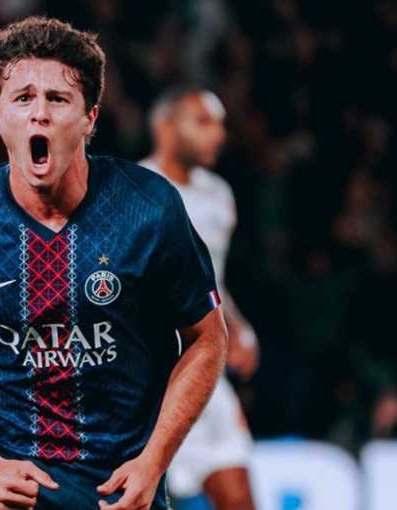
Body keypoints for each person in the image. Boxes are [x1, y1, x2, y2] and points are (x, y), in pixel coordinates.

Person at [0, 17, 228, 510]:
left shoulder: (148, 208)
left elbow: (207, 337)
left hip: (115, 483)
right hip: (5, 475)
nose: (40, 114)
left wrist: (154, 461)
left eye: (57, 99)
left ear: (90, 117)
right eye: (23, 98)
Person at [141, 88, 258, 510]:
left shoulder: (219, 195)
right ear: (165, 128)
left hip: (204, 368)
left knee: (238, 495)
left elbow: (213, 281)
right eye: (203, 122)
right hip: (144, 379)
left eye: (220, 124)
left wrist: (237, 327)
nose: (218, 134)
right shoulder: (134, 191)